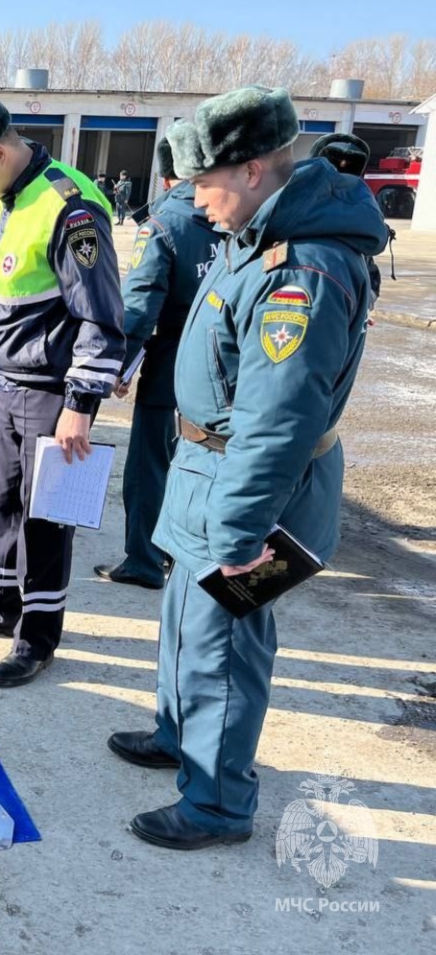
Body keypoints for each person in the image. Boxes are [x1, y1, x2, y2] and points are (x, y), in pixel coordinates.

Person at [108, 86, 388, 850]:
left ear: (256, 170)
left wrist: (239, 532)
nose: (193, 200)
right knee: (182, 625)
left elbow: (280, 419)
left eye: (205, 182)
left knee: (223, 649)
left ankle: (218, 803)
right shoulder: (254, 239)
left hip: (248, 491)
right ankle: (179, 735)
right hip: (206, 471)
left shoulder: (303, 270)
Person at [0, 93, 124, 688]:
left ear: (1, 150)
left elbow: (101, 316)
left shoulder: (71, 206)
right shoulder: (0, 201)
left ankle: (37, 637)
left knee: (46, 518)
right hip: (2, 383)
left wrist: (81, 406)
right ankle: (0, 605)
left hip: (50, 393)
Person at [95, 138, 221, 589]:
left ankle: (146, 560)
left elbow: (139, 310)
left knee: (151, 464)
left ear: (166, 177)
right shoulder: (244, 216)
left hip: (173, 364)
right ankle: (193, 556)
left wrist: (117, 367)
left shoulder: (164, 224)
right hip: (233, 372)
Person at [310, 133, 388, 308]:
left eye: (350, 165)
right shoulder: (365, 213)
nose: (341, 169)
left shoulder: (364, 216)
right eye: (334, 162)